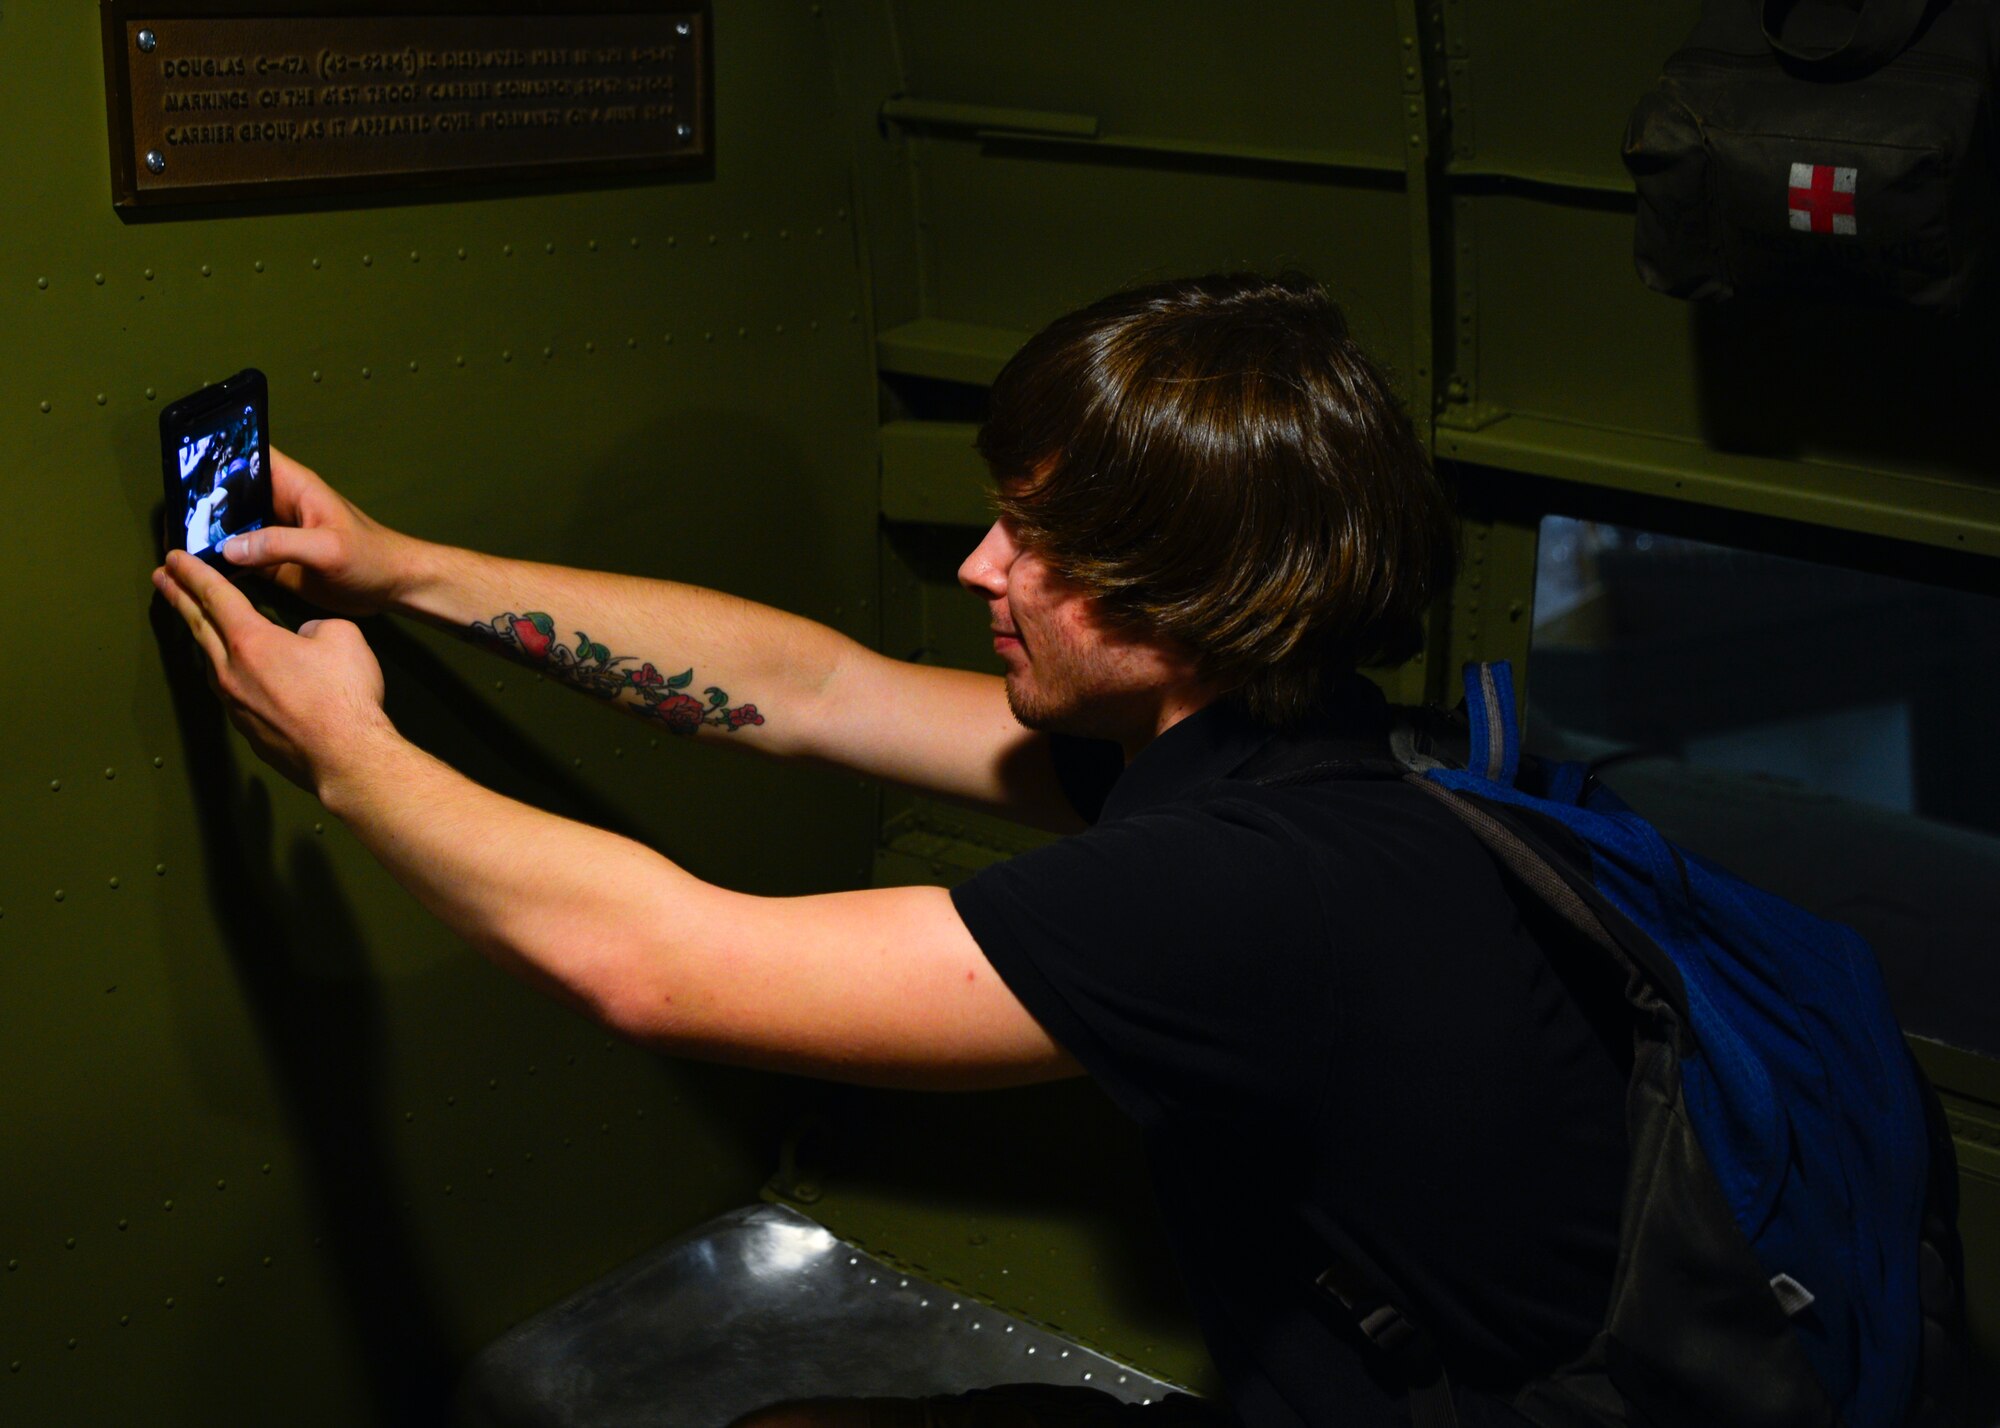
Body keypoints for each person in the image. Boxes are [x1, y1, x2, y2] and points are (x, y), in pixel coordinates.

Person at [150, 273, 1629, 1427]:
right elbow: (817, 694)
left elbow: (651, 967)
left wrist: (351, 754)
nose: (985, 567)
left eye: (1039, 544)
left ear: (1196, 588)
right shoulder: (1290, 746)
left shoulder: (1232, 891)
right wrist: (405, 568)